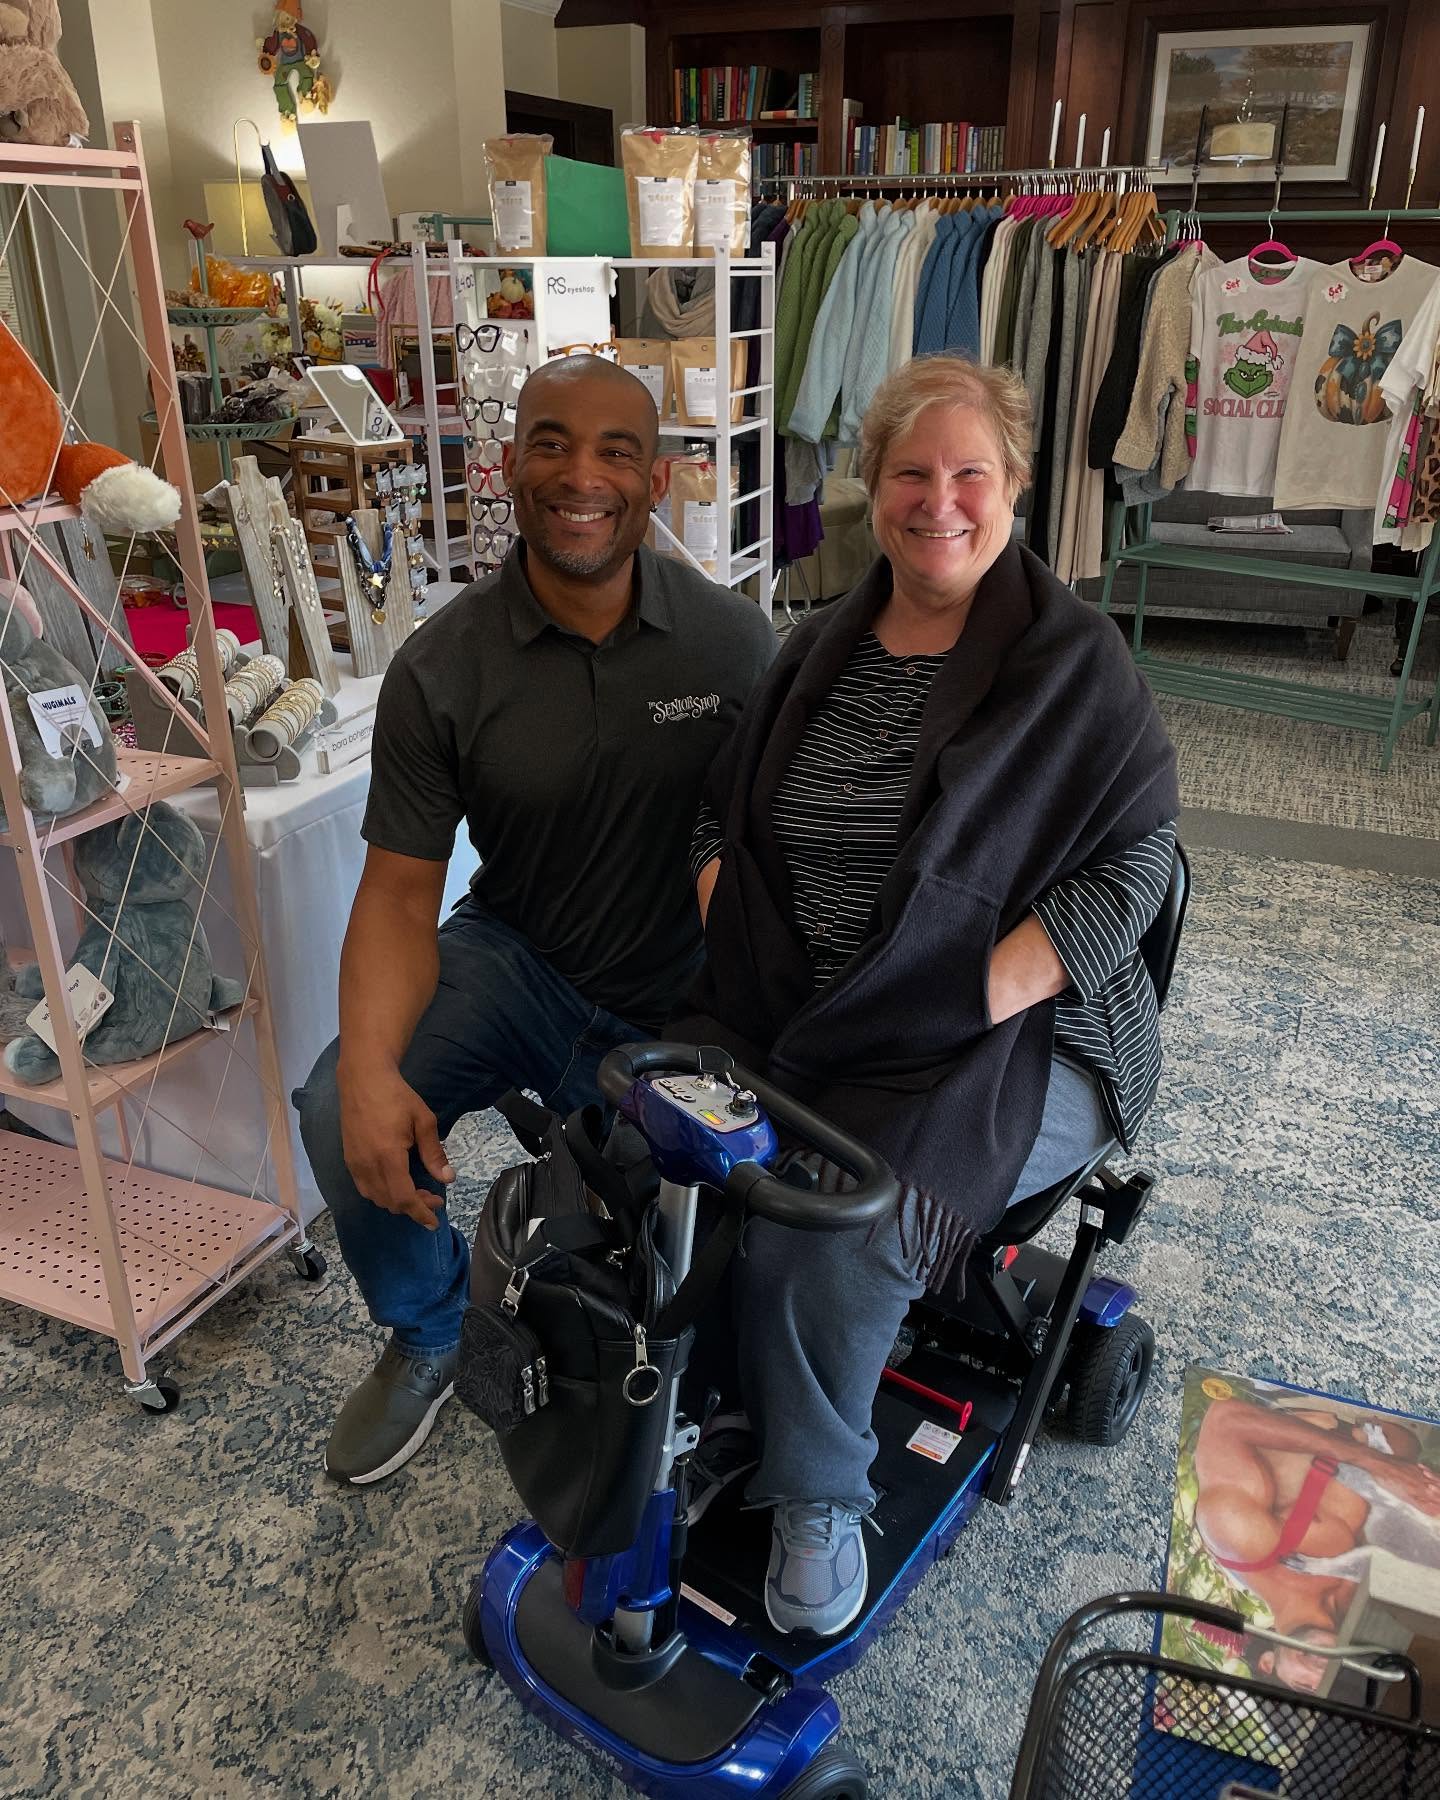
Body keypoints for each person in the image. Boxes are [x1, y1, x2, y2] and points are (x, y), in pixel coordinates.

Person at [670, 355, 1180, 1637]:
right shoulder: (814, 651)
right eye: (912, 471)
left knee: (836, 1224)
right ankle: (726, 1406)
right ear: (875, 486)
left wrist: (1004, 974)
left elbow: (1144, 854)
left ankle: (818, 1494)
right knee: (668, 1141)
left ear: (1012, 488)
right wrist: (721, 891)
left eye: (970, 474)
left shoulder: (1075, 663)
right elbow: (712, 807)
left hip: (1030, 1031)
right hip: (824, 1008)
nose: (938, 501)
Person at [297, 355, 775, 1486]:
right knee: (333, 1106)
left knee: (707, 1284)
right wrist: (370, 1071)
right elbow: (401, 893)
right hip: (515, 963)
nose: (582, 475)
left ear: (657, 480)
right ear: (506, 466)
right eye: (552, 442)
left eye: (616, 451)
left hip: (680, 996)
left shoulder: (733, 645)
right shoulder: (441, 667)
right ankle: (429, 1327)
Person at [1194, 1395, 1440, 1691]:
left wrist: (1379, 1463)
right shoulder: (1365, 1609)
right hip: (1415, 1421)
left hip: (1333, 1393)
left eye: (1304, 1685)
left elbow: (1224, 1420)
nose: (1321, 1672)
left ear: (1268, 1663)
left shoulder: (1244, 1544)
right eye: (1328, 1683)